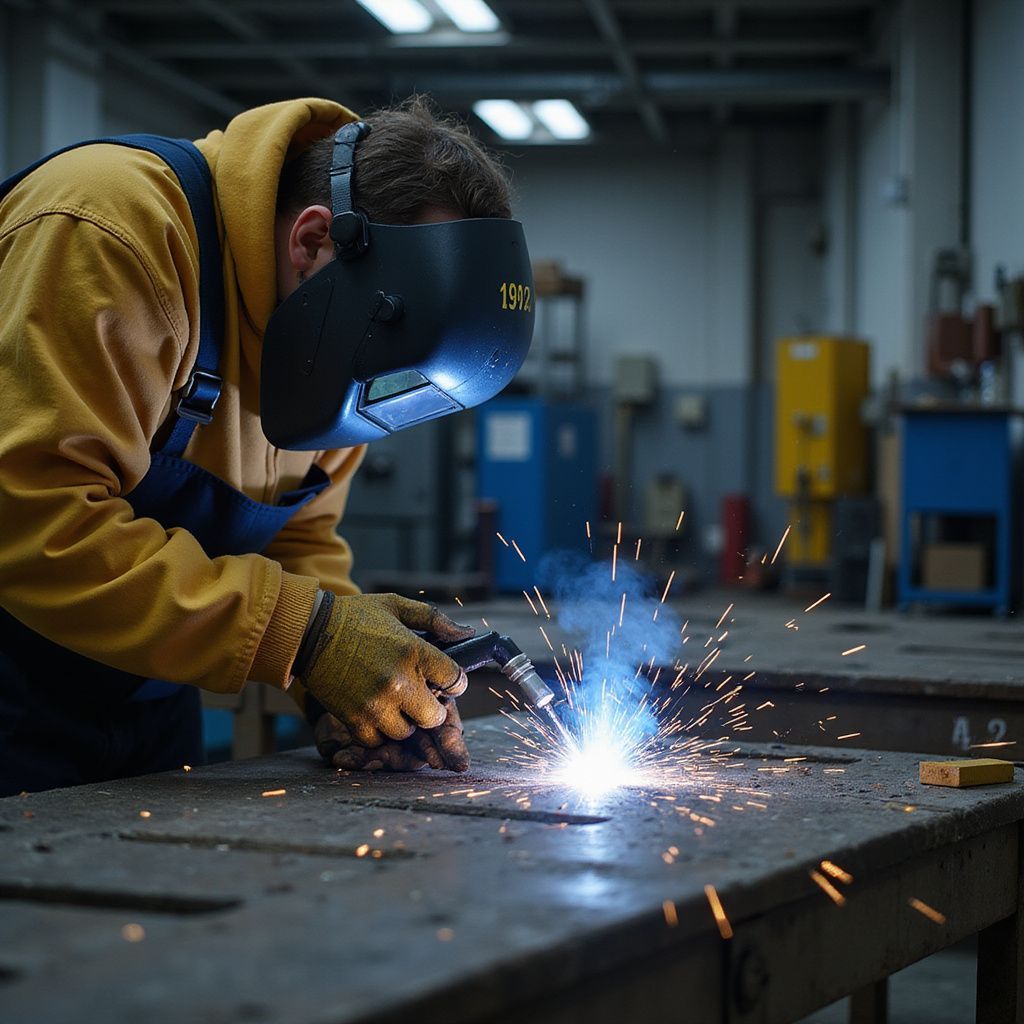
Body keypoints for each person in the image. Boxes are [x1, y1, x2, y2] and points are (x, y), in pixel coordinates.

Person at [0, 96, 533, 796]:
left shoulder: (332, 351)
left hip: (146, 698)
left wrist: (351, 688)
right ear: (313, 244)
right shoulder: (112, 228)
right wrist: (307, 636)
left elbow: (299, 541)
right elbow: (31, 518)